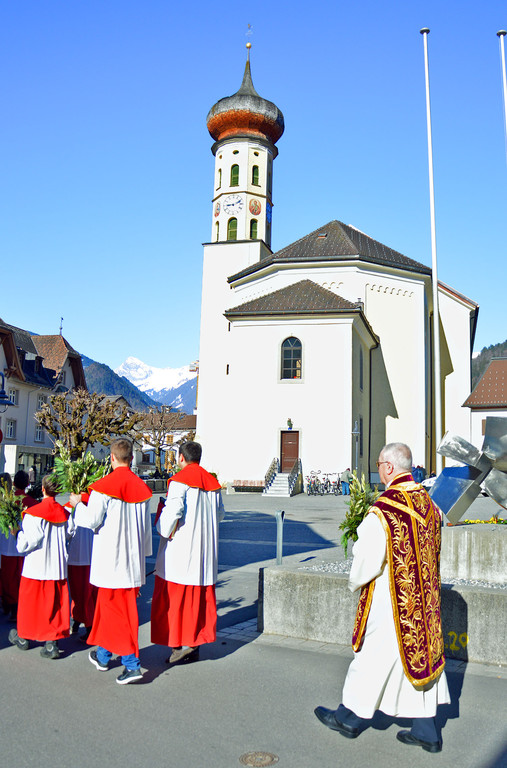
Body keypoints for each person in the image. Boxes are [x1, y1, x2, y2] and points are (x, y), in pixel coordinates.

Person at [315, 442, 450, 753]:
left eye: (379, 464)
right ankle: (426, 730)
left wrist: (355, 578)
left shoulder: (385, 508)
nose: (379, 469)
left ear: (389, 467)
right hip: (423, 602)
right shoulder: (428, 504)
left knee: (372, 658)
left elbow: (368, 557)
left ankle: (348, 718)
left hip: (392, 601)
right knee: (418, 659)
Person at [69, 438, 152, 684]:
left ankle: (132, 664)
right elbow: (146, 530)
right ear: (131, 458)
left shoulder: (103, 487)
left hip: (110, 560)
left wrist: (77, 505)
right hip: (131, 560)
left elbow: (91, 520)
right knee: (111, 612)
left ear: (112, 458)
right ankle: (103, 656)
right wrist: (142, 562)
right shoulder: (142, 488)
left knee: (117, 614)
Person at [150, 441, 224, 664]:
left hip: (181, 550)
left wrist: (162, 527)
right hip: (204, 552)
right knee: (196, 603)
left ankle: (176, 647)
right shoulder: (213, 483)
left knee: (175, 602)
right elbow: (220, 514)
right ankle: (194, 645)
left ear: (181, 457)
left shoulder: (179, 481)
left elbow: (172, 514)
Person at [9, 474, 70, 659]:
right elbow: (69, 535)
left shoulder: (33, 513)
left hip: (36, 566)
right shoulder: (64, 513)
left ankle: (24, 636)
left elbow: (26, 543)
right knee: (54, 606)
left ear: (42, 489)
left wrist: (17, 533)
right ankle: (52, 642)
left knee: (31, 605)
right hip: (56, 566)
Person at [0, 470, 37, 620]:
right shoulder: (32, 502)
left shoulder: (7, 501)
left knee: (8, 579)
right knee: (20, 579)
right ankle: (17, 606)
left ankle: (10, 606)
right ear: (28, 483)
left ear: (14, 483)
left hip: (6, 546)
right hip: (24, 547)